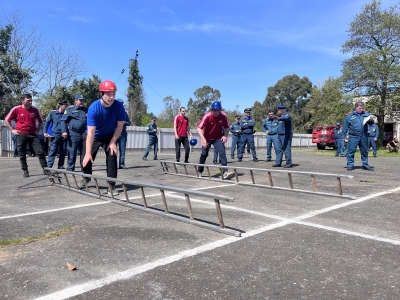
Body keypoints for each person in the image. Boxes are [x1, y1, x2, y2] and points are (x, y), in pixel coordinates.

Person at [80, 80, 126, 195]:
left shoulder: (118, 106)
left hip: (110, 135)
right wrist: (88, 153)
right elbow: (90, 132)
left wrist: (113, 142)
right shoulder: (94, 108)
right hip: (94, 135)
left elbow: (120, 126)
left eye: (113, 95)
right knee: (86, 159)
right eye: (108, 95)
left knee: (112, 155)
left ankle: (111, 185)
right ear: (101, 94)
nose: (111, 98)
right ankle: (86, 177)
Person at [5, 93, 48, 177]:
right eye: (28, 100)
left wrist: (38, 130)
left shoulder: (35, 109)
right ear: (22, 101)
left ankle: (45, 169)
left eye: (31, 100)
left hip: (32, 134)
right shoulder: (16, 109)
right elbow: (7, 119)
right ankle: (25, 170)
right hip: (21, 134)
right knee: (22, 153)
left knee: (40, 151)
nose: (31, 102)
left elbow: (41, 121)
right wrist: (12, 130)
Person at [197, 101, 234, 179]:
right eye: (215, 110)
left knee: (222, 151)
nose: (216, 112)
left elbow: (227, 127)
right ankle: (200, 170)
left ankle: (225, 172)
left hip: (217, 138)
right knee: (204, 154)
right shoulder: (207, 116)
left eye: (218, 110)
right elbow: (198, 128)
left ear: (220, 110)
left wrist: (225, 135)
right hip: (207, 137)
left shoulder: (223, 116)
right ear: (212, 110)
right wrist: (203, 139)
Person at [342, 101, 374, 171]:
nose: (361, 109)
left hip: (363, 135)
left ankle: (365, 165)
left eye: (362, 108)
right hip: (354, 136)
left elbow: (372, 123)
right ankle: (350, 165)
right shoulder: (350, 116)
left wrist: (371, 120)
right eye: (360, 108)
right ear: (356, 108)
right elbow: (345, 127)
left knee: (364, 151)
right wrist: (343, 136)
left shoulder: (366, 114)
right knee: (351, 151)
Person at [61, 94, 88, 171]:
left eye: (83, 100)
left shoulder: (87, 110)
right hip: (74, 133)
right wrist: (64, 131)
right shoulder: (70, 110)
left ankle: (84, 168)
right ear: (75, 100)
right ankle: (70, 168)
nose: (82, 102)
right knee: (72, 151)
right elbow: (63, 121)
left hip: (85, 133)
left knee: (84, 152)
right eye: (80, 100)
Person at [43, 100, 68, 169]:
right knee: (53, 150)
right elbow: (47, 122)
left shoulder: (67, 114)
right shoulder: (53, 113)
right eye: (65, 106)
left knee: (63, 151)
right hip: (55, 134)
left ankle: (60, 166)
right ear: (61, 106)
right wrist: (45, 132)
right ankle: (49, 166)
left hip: (64, 135)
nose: (66, 107)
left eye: (67, 106)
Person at [116, 99, 132, 169]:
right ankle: (112, 165)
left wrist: (124, 122)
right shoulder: (113, 112)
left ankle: (121, 164)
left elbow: (129, 123)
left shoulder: (125, 114)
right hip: (114, 133)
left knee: (122, 150)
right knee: (112, 150)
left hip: (123, 134)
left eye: (122, 104)